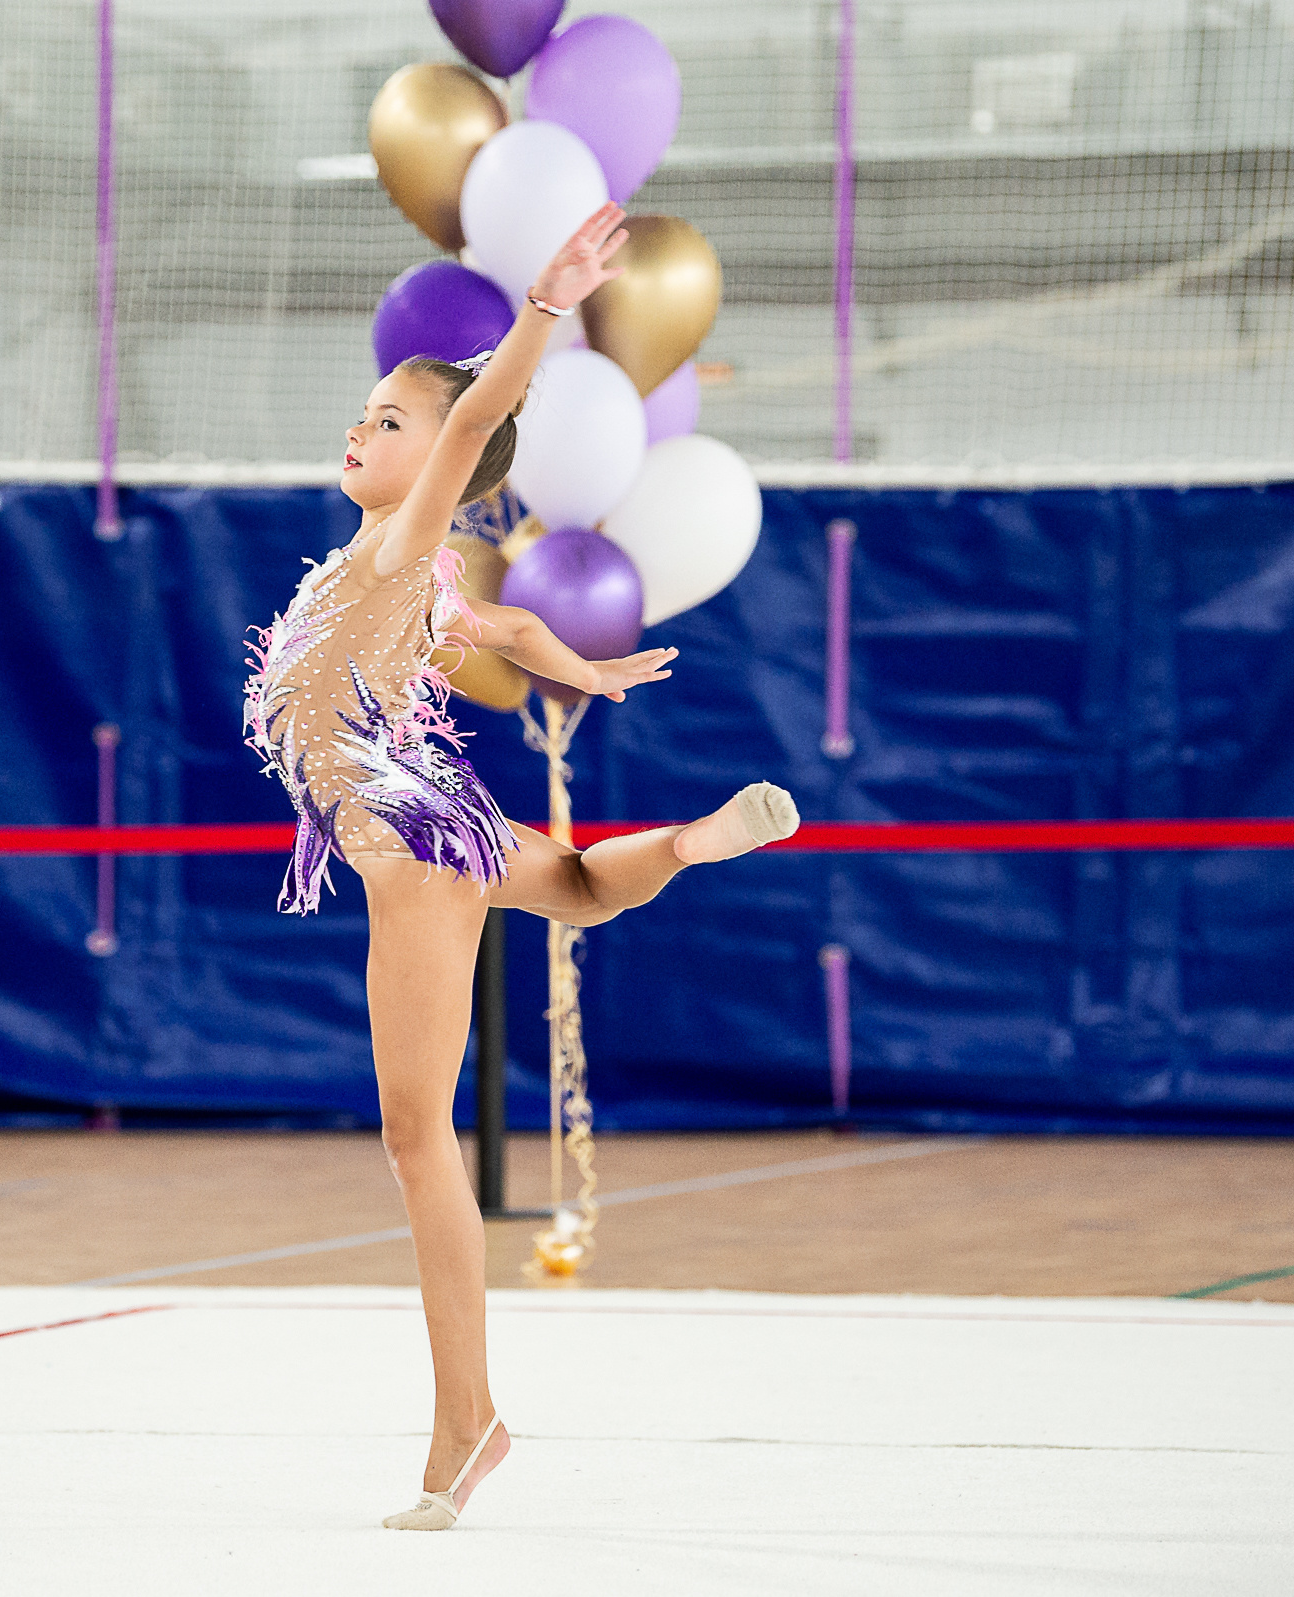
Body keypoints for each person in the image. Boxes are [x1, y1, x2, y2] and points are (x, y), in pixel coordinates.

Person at [243, 205, 801, 1532]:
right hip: (441, 824)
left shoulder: (394, 547)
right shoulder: (400, 580)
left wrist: (543, 309)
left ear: (438, 457)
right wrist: (587, 667)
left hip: (415, 854)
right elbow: (505, 618)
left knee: (417, 1138)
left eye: (389, 420)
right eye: (365, 413)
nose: (362, 430)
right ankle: (681, 843)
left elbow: (484, 410)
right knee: (584, 888)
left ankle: (468, 1422)